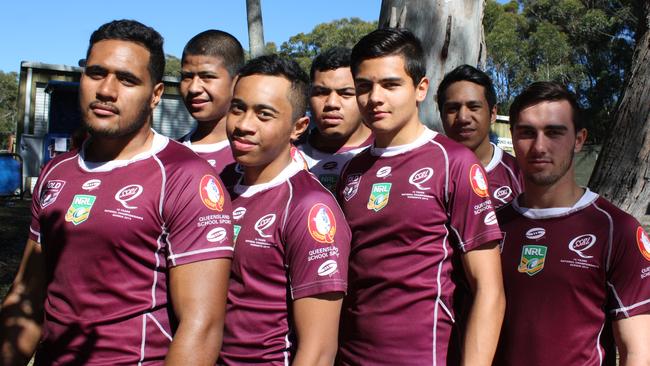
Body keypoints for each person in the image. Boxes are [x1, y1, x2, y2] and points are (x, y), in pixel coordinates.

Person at [0, 20, 233, 365]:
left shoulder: (187, 177)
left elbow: (201, 326)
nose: (106, 90)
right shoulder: (56, 171)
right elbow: (26, 296)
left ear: (155, 95)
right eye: (96, 73)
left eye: (126, 79)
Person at [336, 28, 505, 365]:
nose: (375, 98)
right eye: (364, 87)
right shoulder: (351, 170)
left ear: (421, 89)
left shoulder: (453, 162)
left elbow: (490, 290)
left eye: (390, 85)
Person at [495, 81, 650, 365]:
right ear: (513, 138)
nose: (539, 146)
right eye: (527, 133)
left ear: (579, 139)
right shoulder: (492, 226)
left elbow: (638, 351)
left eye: (554, 132)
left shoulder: (619, 231)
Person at [218, 54, 351, 365]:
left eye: (264, 114)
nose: (244, 125)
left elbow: (318, 351)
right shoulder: (216, 185)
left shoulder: (309, 207)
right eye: (238, 109)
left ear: (298, 127)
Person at [437, 65, 523, 209]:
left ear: (493, 113)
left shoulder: (518, 175)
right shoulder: (427, 172)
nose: (463, 118)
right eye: (453, 108)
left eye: (474, 107)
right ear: (441, 115)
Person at [296, 47, 372, 191]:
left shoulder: (386, 151)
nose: (331, 103)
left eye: (346, 93)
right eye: (321, 92)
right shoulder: (289, 154)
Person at [179, 30, 244, 173]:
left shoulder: (259, 155)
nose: (193, 88)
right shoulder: (168, 154)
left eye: (207, 76)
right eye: (187, 77)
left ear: (237, 82)